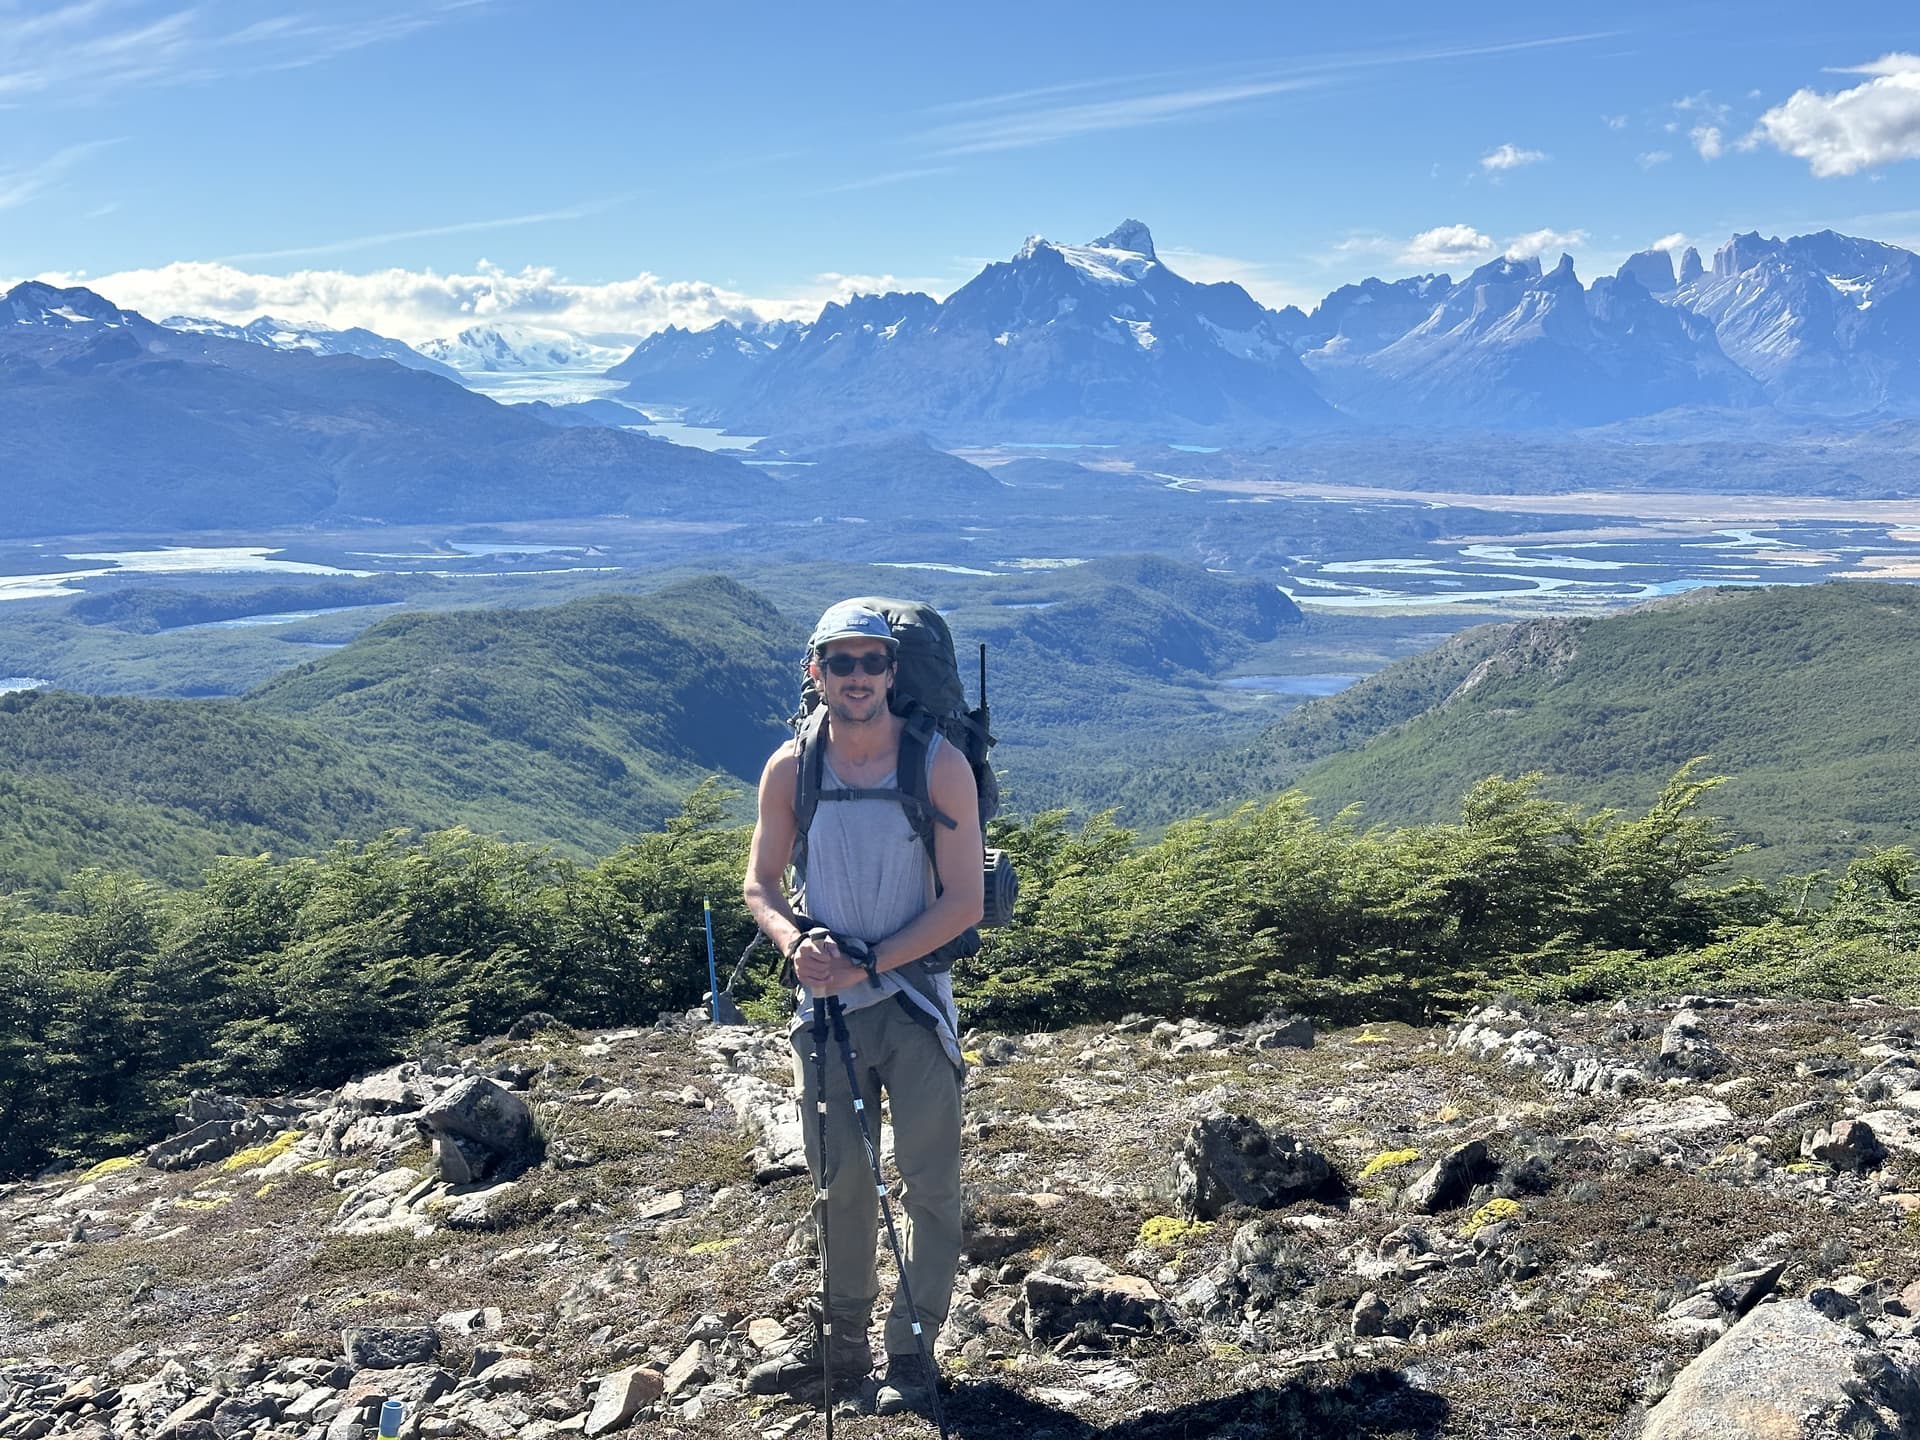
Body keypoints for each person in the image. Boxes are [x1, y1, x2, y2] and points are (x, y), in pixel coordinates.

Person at [742, 599, 984, 1417]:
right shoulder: (792, 768)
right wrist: (792, 943)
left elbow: (965, 902)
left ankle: (911, 1352)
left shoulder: (938, 764)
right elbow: (761, 884)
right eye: (839, 662)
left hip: (914, 1004)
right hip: (827, 1015)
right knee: (839, 1185)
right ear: (815, 671)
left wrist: (872, 960)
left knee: (928, 1184)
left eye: (871, 662)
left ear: (891, 672)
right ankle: (842, 1346)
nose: (856, 677)